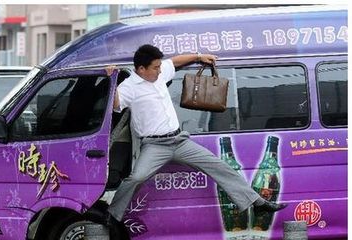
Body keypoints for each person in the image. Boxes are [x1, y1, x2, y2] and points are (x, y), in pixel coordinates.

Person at [87, 44, 287, 226]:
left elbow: (175, 61)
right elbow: (115, 105)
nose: (160, 69)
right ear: (141, 69)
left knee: (219, 166)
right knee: (135, 178)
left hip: (179, 141)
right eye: (155, 67)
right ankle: (112, 215)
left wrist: (199, 57)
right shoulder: (129, 87)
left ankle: (256, 202)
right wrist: (110, 79)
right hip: (155, 146)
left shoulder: (159, 73)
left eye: (159, 66)